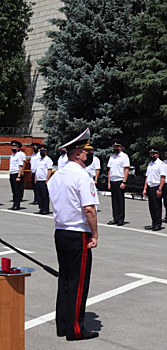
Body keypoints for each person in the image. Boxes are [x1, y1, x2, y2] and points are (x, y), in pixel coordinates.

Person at [47, 128, 99, 341]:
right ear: (77, 153)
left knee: (66, 281)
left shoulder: (57, 175)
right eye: (86, 152)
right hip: (78, 233)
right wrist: (94, 234)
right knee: (78, 283)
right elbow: (89, 209)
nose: (89, 156)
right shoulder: (81, 175)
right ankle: (75, 330)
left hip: (60, 231)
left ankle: (63, 325)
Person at [142, 145, 166, 231]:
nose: (152, 155)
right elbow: (147, 177)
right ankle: (153, 222)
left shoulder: (161, 164)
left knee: (157, 207)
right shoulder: (150, 164)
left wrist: (160, 189)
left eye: (154, 154)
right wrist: (145, 189)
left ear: (158, 155)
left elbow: (162, 177)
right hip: (150, 187)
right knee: (151, 206)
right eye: (151, 154)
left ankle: (158, 223)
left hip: (156, 186)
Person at [107, 139, 130, 226]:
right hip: (113, 180)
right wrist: (109, 182)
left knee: (120, 200)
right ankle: (115, 218)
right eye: (114, 147)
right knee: (114, 201)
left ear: (120, 147)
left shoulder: (124, 156)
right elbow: (109, 170)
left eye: (117, 146)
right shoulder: (112, 157)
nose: (116, 148)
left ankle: (121, 219)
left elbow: (126, 169)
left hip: (120, 180)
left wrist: (124, 181)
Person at [34, 144, 53, 214]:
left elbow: (49, 170)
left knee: (44, 195)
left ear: (46, 152)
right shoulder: (38, 160)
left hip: (44, 180)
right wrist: (35, 178)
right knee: (39, 196)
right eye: (41, 151)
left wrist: (47, 179)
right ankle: (41, 208)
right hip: (38, 180)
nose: (42, 152)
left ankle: (46, 209)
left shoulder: (48, 160)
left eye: (43, 151)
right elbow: (37, 170)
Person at [8, 140, 26, 210]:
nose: (13, 148)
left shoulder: (19, 155)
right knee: (14, 190)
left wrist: (19, 175)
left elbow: (21, 166)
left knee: (17, 190)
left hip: (16, 173)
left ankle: (17, 205)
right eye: (12, 146)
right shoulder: (12, 155)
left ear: (18, 148)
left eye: (15, 147)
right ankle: (14, 204)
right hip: (12, 173)